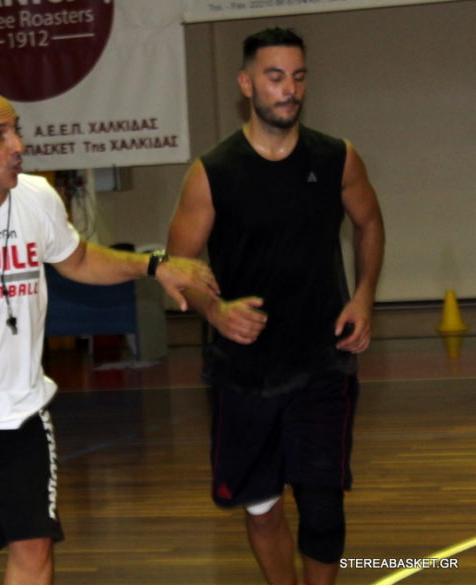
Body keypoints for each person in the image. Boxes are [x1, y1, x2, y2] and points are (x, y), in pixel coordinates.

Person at [0, 89, 220, 585]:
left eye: (16, 130)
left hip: (18, 408)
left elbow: (78, 259)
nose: (18, 145)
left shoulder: (36, 198)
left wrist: (153, 265)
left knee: (34, 544)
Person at [167, 28, 384, 585]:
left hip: (322, 363)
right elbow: (178, 266)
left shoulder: (337, 158)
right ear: (246, 85)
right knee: (262, 508)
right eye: (275, 77)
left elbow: (369, 222)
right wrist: (215, 311)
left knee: (323, 508)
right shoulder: (213, 173)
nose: (290, 89)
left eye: (298, 76)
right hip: (245, 373)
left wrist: (364, 294)